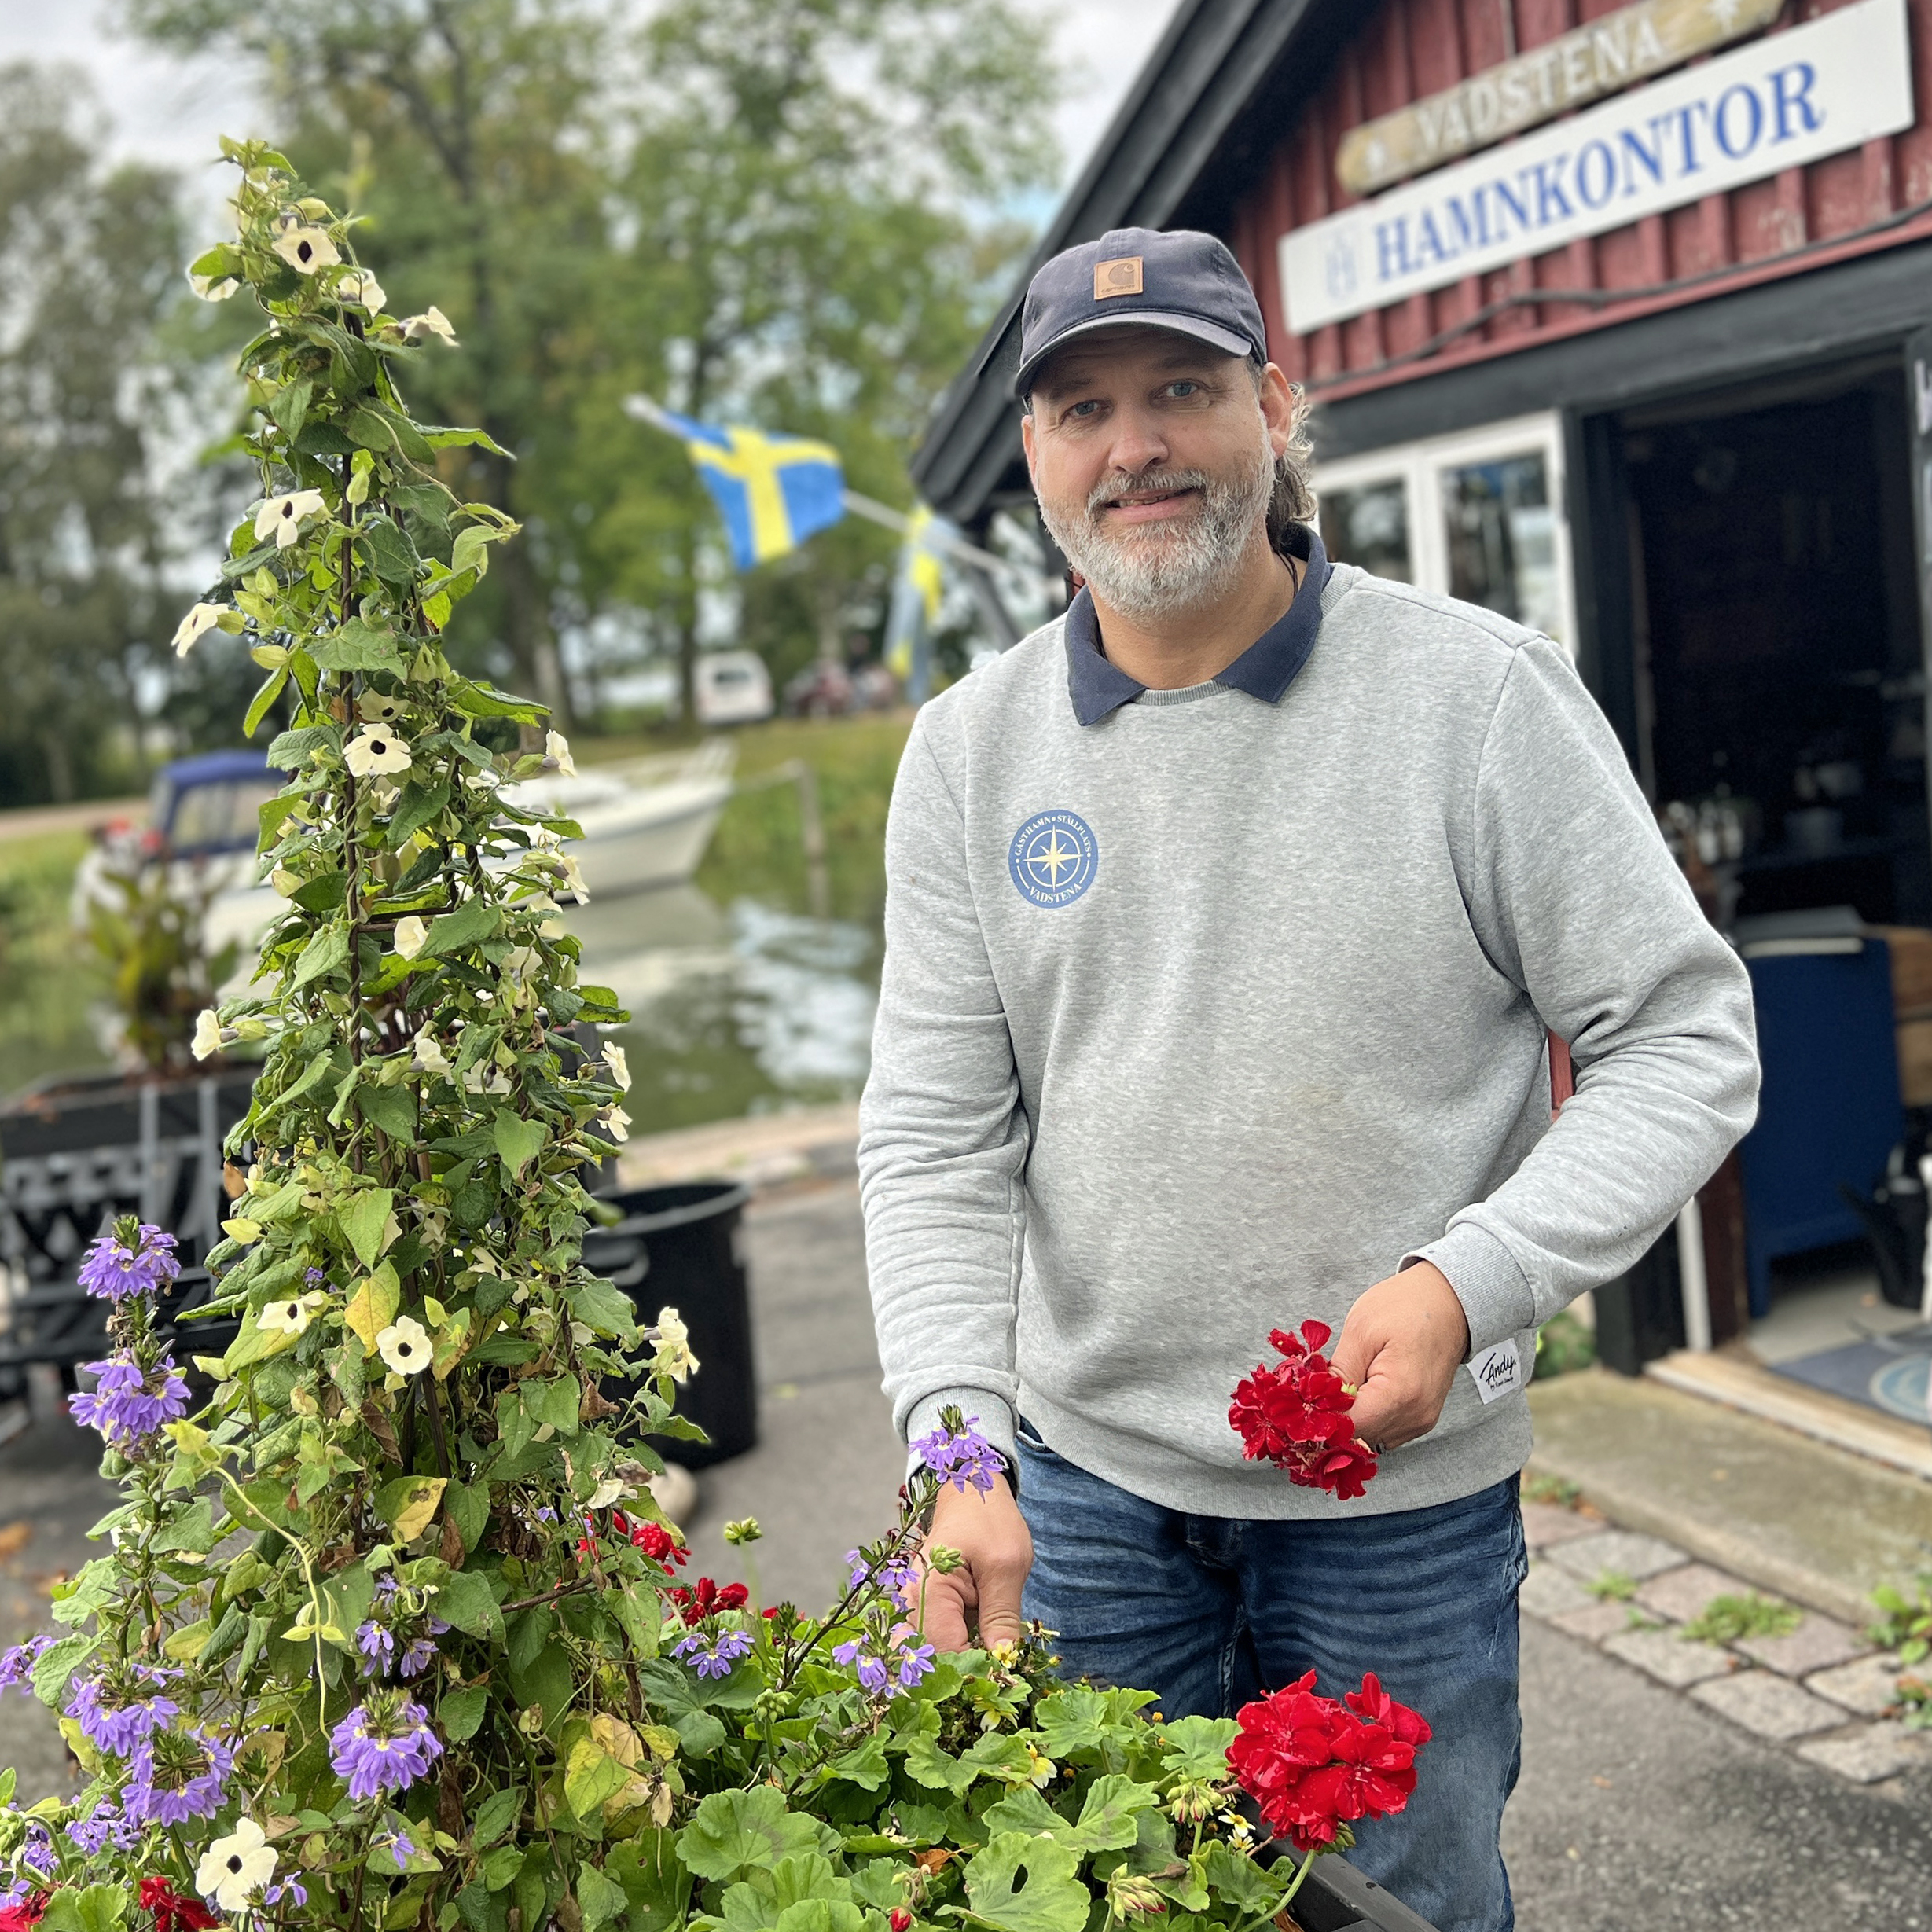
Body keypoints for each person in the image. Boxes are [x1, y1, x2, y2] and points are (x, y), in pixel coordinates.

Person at [856, 226, 1758, 1932]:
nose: (1135, 447)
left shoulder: (1475, 698)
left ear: (1273, 408)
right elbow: (931, 1134)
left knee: (1399, 1910)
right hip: (1086, 1492)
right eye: (1082, 409)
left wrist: (1471, 1277)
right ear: (1033, 453)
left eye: (1181, 390)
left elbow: (1682, 1036)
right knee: (1116, 1905)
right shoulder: (968, 751)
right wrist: (954, 1447)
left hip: (1395, 1515)